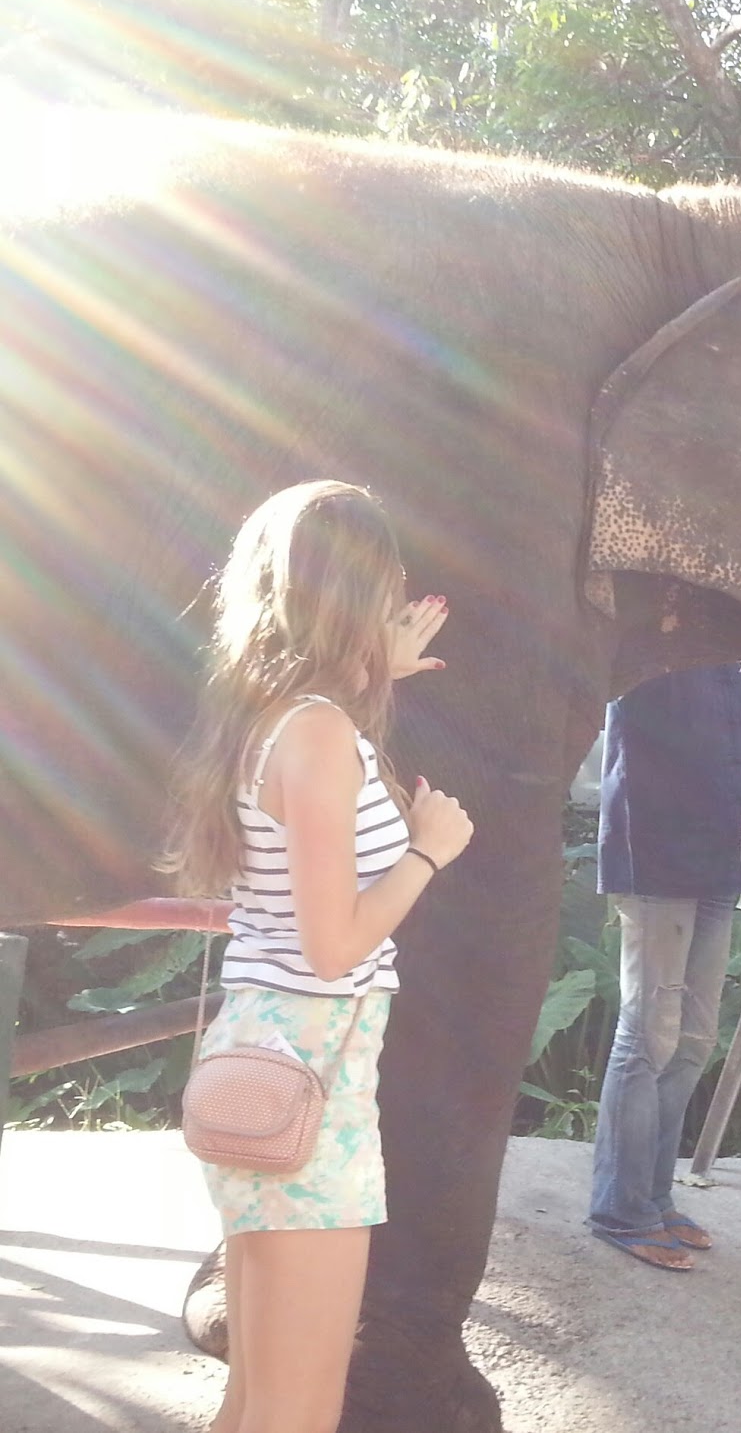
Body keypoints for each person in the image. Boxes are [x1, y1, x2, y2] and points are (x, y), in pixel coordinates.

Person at [167, 480, 474, 1433]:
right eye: (384, 591)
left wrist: (382, 671)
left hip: (263, 1059)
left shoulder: (272, 719)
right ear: (354, 593)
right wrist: (429, 849)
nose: (395, 609)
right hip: (314, 1075)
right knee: (296, 1411)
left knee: (256, 1399)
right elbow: (334, 943)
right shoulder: (320, 733)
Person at [589, 663, 741, 1272]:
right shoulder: (649, 643)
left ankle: (655, 1197)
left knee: (695, 1042)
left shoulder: (725, 659)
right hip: (655, 859)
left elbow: (736, 773)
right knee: (646, 1041)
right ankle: (620, 1210)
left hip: (720, 868)